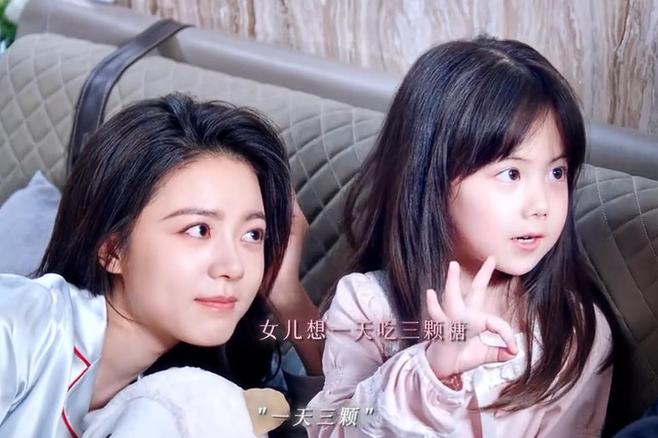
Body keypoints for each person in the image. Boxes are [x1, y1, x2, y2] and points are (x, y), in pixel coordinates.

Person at [306, 36, 616, 437]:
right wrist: (431, 372)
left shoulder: (574, 330)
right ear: (429, 178)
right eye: (511, 173)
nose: (541, 205)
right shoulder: (369, 307)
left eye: (556, 172)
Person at [0, 93, 321, 437]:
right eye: (199, 230)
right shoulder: (17, 327)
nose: (234, 267)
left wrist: (287, 294)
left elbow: (339, 419)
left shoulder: (205, 391)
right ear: (112, 249)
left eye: (253, 234)